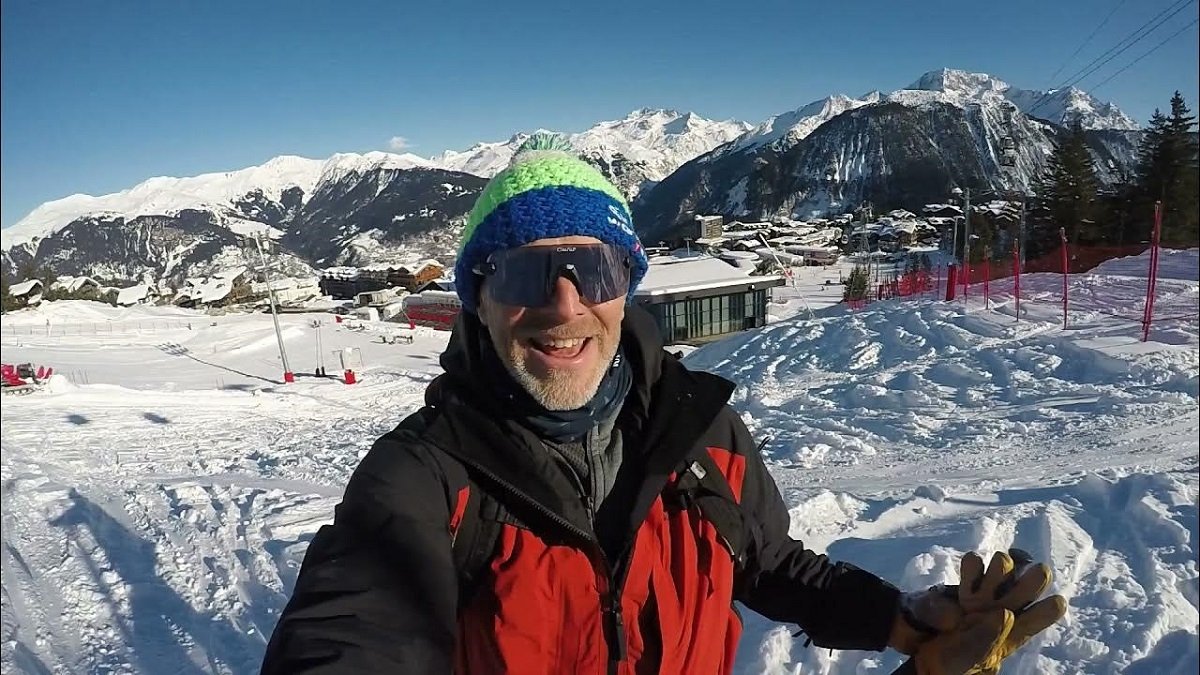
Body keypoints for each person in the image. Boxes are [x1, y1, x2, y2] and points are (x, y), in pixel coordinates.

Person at [262, 134, 1066, 674]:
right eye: (525, 271)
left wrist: (901, 620)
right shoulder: (421, 481)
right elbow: (355, 629)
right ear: (478, 297)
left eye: (594, 269)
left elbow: (769, 562)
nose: (565, 304)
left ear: (626, 284)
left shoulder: (700, 431)